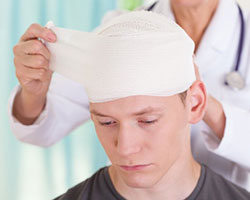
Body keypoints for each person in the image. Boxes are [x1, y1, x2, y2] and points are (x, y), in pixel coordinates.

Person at [9, 0, 250, 191]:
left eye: (148, 120)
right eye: (108, 122)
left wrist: (197, 99)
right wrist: (34, 90)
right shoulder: (121, 33)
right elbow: (41, 127)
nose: (125, 148)